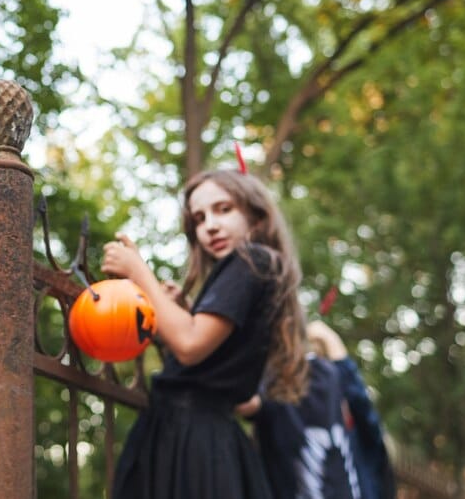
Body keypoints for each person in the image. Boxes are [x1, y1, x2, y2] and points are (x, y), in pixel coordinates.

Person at [101, 168, 310, 499]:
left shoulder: (250, 259)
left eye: (223, 209)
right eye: (198, 218)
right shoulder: (261, 268)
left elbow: (189, 344)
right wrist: (179, 312)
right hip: (208, 441)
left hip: (192, 441)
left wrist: (138, 271)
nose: (209, 225)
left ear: (256, 218)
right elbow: (211, 361)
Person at [235, 320, 395, 499]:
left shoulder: (344, 398)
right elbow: (247, 403)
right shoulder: (277, 393)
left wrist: (329, 340)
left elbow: (362, 408)